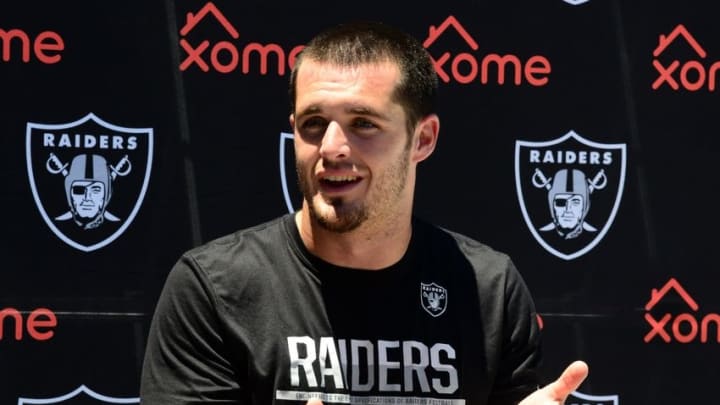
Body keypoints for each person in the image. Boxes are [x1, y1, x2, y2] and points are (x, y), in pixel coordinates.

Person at [140, 20, 588, 404]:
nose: (332, 147)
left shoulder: (488, 291)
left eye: (363, 124)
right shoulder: (214, 290)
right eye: (314, 124)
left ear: (423, 139)